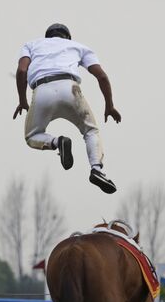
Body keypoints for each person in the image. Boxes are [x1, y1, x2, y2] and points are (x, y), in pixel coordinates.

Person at [13, 23, 121, 194]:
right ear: (67, 37)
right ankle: (97, 169)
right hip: (70, 89)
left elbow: (21, 71)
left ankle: (57, 142)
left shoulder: (32, 45)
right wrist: (109, 105)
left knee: (32, 135)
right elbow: (101, 76)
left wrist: (22, 100)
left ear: (47, 37)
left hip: (41, 91)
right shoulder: (78, 46)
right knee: (91, 131)